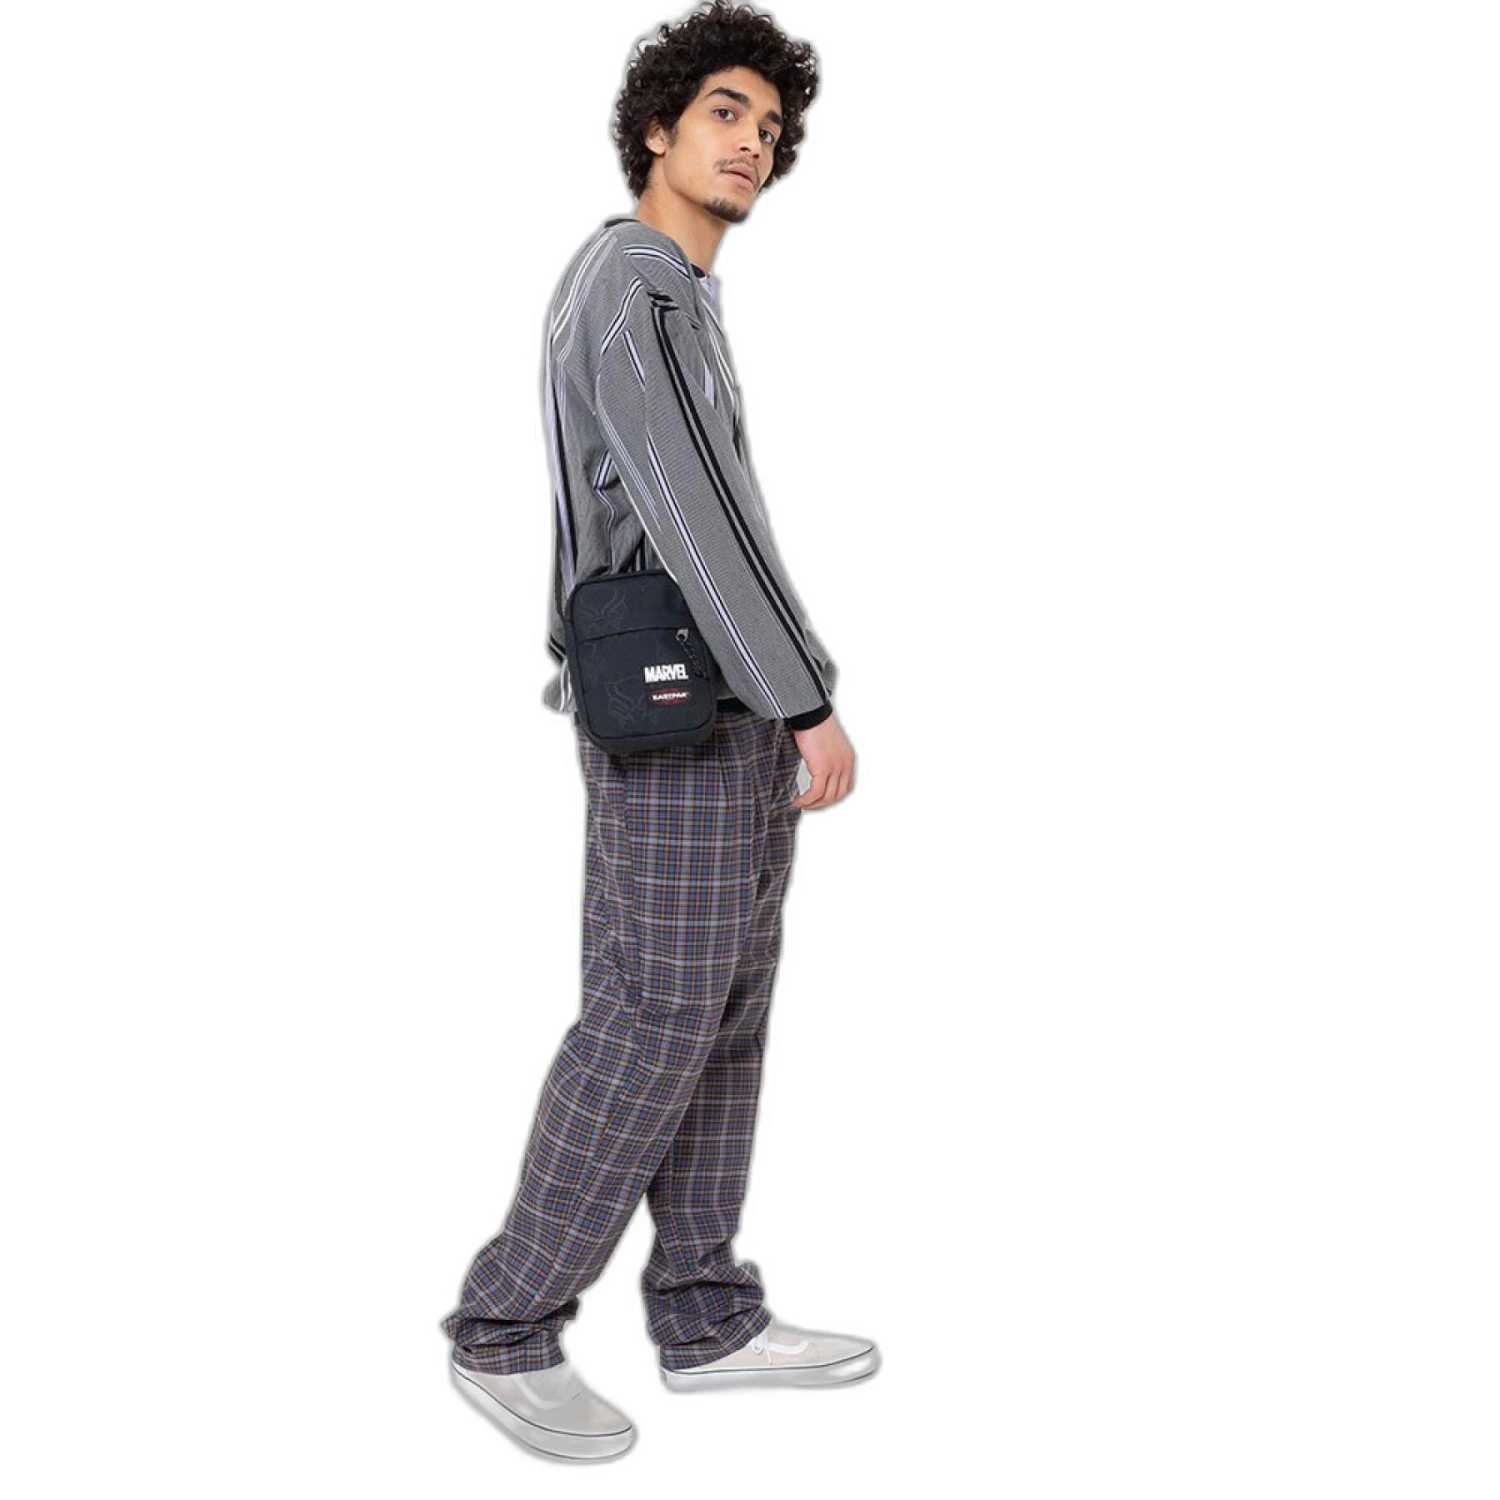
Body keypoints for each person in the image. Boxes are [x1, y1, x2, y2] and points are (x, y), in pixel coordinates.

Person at [440, 1, 877, 1462]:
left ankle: (703, 1310)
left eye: (771, 127)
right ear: (658, 128)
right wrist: (804, 694)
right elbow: (690, 521)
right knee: (653, 1015)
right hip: (688, 708)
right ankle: (506, 1325)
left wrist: (787, 688)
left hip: (723, 702)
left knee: (721, 1010)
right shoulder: (631, 282)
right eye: (725, 113)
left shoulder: (679, 291)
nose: (752, 143)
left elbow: (715, 513)